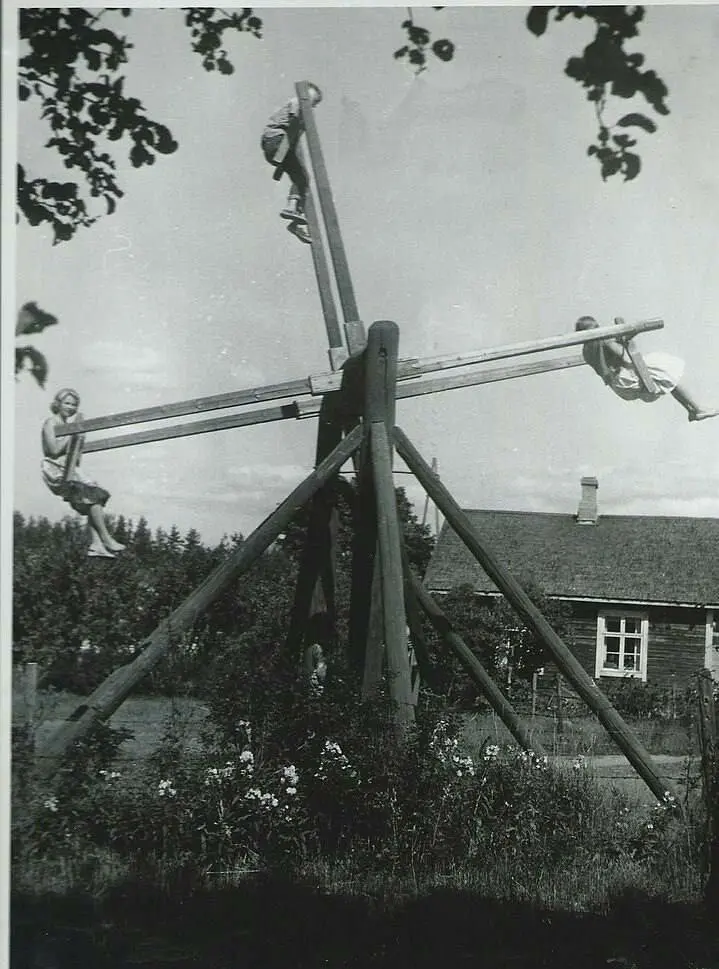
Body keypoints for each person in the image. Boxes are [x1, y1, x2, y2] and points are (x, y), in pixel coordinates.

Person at [576, 316, 719, 422]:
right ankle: (698, 408)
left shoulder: (587, 351)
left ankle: (692, 410)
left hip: (620, 387)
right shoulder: (603, 340)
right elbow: (626, 358)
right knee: (666, 367)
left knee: (668, 379)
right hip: (627, 378)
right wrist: (625, 342)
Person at [41, 388, 127, 558]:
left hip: (69, 468)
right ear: (57, 404)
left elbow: (73, 455)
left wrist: (77, 437)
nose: (71, 407)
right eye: (67, 403)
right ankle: (106, 538)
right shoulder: (51, 422)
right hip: (55, 468)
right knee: (92, 496)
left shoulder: (67, 425)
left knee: (94, 499)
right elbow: (53, 449)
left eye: (74, 405)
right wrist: (73, 434)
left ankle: (96, 545)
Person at [261, 83, 323, 245]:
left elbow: (293, 134)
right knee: (302, 177)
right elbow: (295, 122)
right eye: (312, 102)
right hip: (276, 140)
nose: (311, 108)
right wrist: (304, 124)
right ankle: (291, 207)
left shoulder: (297, 110)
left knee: (302, 179)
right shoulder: (296, 102)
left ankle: (295, 221)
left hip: (274, 144)